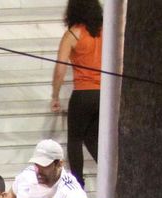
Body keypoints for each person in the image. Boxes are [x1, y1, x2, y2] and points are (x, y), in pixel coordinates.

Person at [49, 1, 102, 185]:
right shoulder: (106, 32)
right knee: (92, 136)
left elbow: (60, 69)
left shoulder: (73, 34)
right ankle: (107, 173)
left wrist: (55, 95)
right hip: (104, 94)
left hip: (83, 93)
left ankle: (78, 183)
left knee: (75, 139)